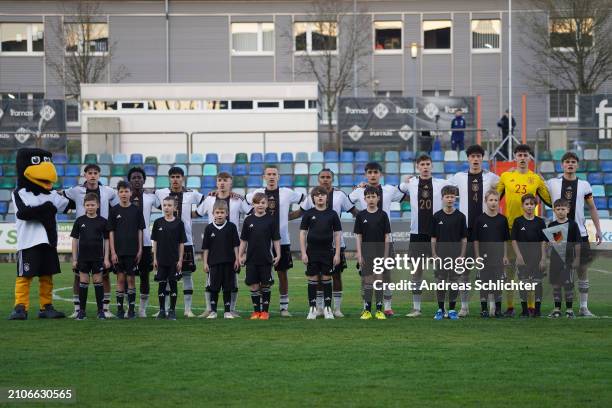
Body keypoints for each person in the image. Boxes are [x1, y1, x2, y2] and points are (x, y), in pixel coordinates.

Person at [290, 168, 357, 317]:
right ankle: (319, 308)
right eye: (322, 177)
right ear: (318, 179)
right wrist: (280, 218)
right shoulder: (311, 196)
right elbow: (300, 213)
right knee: (318, 276)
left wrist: (367, 221)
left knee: (337, 275)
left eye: (328, 177)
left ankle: (337, 308)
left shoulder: (340, 195)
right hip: (316, 247)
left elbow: (354, 211)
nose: (325, 179)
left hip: (336, 243)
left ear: (332, 179)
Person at [497, 144, 551, 317]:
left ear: (529, 158)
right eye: (519, 155)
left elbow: (549, 201)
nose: (522, 158)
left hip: (531, 231)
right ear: (514, 157)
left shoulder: (535, 179)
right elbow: (493, 198)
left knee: (530, 272)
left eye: (525, 155)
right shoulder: (505, 176)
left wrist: (543, 181)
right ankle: (511, 306)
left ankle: (531, 308)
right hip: (510, 229)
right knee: (510, 271)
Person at [546, 152, 603, 317]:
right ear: (562, 165)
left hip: (580, 233)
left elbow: (592, 208)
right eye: (567, 162)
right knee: (558, 271)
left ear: (577, 165)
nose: (570, 164)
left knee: (582, 269)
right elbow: (536, 189)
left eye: (573, 162)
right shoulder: (552, 183)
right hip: (558, 233)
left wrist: (598, 229)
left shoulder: (584, 185)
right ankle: (558, 308)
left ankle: (584, 307)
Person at [447, 144, 499, 317]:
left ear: (482, 158)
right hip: (465, 230)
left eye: (478, 156)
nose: (475, 159)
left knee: (489, 270)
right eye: (472, 156)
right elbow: (442, 189)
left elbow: (507, 184)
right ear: (468, 158)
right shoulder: (458, 177)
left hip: (486, 230)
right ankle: (464, 306)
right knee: (463, 270)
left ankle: (492, 306)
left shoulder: (492, 177)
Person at [246, 166, 304, 317]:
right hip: (261, 244)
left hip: (282, 240)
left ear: (278, 177)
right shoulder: (256, 193)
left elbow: (306, 201)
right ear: (264, 177)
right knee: (259, 276)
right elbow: (242, 202)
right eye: (269, 174)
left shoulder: (287, 192)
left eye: (274, 174)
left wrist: (290, 216)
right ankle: (259, 309)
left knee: (282, 274)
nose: (271, 177)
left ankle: (284, 307)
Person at [63, 163, 119, 318]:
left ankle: (105, 309)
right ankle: (78, 309)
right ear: (85, 175)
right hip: (84, 242)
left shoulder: (108, 191)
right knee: (78, 277)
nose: (93, 175)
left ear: (99, 175)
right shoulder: (76, 190)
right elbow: (60, 194)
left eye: (95, 173)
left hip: (101, 240)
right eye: (90, 173)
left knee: (104, 276)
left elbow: (116, 207)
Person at [350, 162, 405, 316]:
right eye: (370, 172)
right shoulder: (359, 191)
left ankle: (386, 306)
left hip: (386, 240)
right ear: (366, 175)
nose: (373, 175)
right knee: (366, 276)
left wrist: (409, 181)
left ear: (380, 174)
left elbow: (406, 197)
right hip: (367, 241)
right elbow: (346, 204)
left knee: (386, 275)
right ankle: (365, 307)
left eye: (375, 172)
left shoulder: (389, 190)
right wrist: (360, 217)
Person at [399, 154, 449, 317]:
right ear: (417, 167)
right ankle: (416, 308)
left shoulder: (441, 183)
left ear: (432, 167)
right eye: (422, 164)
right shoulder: (410, 183)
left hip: (437, 234)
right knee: (416, 270)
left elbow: (461, 187)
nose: (425, 167)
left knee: (440, 271)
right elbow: (391, 192)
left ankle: (442, 307)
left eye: (428, 164)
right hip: (417, 233)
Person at [197, 172, 251, 318]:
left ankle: (231, 309)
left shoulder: (237, 200)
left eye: (225, 180)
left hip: (232, 246)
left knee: (232, 281)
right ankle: (210, 309)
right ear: (216, 182)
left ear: (230, 182)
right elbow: (197, 212)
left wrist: (241, 253)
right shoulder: (209, 198)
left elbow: (250, 212)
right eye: (220, 180)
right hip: (214, 246)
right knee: (210, 280)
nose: (222, 183)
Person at [154, 166, 203, 318]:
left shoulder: (191, 194)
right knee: (167, 277)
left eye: (178, 177)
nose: (175, 179)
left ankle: (188, 309)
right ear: (169, 179)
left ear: (183, 178)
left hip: (185, 241)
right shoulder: (161, 193)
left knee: (187, 274)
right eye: (173, 177)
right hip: (166, 243)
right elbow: (157, 205)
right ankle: (165, 308)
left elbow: (206, 202)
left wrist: (195, 213)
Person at [299, 186, 342, 320]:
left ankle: (327, 308)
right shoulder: (308, 213)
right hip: (312, 251)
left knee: (326, 278)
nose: (320, 197)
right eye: (317, 195)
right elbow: (302, 233)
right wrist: (303, 252)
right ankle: (312, 309)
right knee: (312, 278)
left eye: (322, 194)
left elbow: (337, 234)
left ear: (326, 197)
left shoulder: (332, 214)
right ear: (313, 198)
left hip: (327, 252)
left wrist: (337, 253)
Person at [239, 193, 281, 320]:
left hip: (266, 259)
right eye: (258, 203)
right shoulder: (248, 220)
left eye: (263, 203)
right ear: (253, 204)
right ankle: (256, 312)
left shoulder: (271, 220)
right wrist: (240, 255)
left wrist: (278, 254)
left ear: (267, 205)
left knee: (266, 285)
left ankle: (265, 312)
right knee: (253, 285)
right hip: (251, 259)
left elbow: (276, 240)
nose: (260, 205)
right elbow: (244, 240)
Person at [108, 181, 145, 319]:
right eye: (121, 191)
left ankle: (131, 310)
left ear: (131, 193)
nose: (124, 194)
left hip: (132, 251)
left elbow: (140, 231)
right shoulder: (114, 210)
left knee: (131, 280)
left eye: (126, 191)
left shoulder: (136, 210)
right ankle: (119, 309)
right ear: (118, 193)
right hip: (118, 251)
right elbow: (111, 232)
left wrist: (140, 249)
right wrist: (112, 251)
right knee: (120, 279)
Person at [70, 193, 110, 320]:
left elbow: (107, 241)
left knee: (98, 282)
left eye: (92, 205)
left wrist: (106, 258)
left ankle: (100, 311)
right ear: (84, 206)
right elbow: (75, 240)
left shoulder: (103, 222)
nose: (90, 207)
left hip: (98, 257)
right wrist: (75, 258)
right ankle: (82, 311)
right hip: (83, 258)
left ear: (97, 205)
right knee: (84, 282)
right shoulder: (79, 221)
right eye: (88, 205)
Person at [354, 186, 391, 320]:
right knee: (368, 281)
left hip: (380, 253)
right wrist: (359, 254)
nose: (371, 199)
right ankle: (367, 310)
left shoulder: (383, 215)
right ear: (364, 199)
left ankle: (379, 310)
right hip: (366, 253)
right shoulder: (361, 215)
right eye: (368, 197)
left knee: (379, 280)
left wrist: (386, 256)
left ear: (378, 198)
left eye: (373, 196)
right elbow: (358, 236)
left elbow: (387, 236)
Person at [430, 185, 467, 320]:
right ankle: (440, 309)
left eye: (452, 197)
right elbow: (433, 238)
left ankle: (451, 309)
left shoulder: (461, 217)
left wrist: (462, 256)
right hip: (440, 255)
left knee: (454, 282)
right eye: (447, 197)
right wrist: (434, 254)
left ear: (455, 198)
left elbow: (464, 238)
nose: (450, 199)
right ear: (442, 198)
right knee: (440, 282)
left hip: (456, 256)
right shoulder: (437, 216)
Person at [127, 167, 160, 318]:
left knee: (145, 275)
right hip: (127, 242)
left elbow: (169, 200)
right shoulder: (121, 197)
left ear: (144, 180)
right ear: (129, 180)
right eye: (134, 177)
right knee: (129, 276)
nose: (137, 180)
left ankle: (142, 309)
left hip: (146, 242)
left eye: (139, 177)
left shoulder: (150, 198)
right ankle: (130, 307)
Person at [473, 190, 510, 318]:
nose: (493, 203)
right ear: (486, 201)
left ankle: (498, 310)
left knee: (497, 284)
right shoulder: (479, 219)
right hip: (483, 259)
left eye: (495, 200)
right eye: (491, 200)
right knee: (484, 284)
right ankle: (484, 310)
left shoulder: (502, 219)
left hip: (498, 258)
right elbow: (476, 240)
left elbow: (505, 240)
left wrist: (505, 256)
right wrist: (477, 256)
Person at [201, 200, 241, 319]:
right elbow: (206, 248)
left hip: (229, 263)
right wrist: (205, 263)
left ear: (227, 213)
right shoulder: (209, 228)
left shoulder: (231, 227)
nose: (219, 214)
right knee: (214, 288)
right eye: (217, 212)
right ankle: (213, 311)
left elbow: (235, 245)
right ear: (213, 213)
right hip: (213, 264)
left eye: (222, 212)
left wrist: (237, 259)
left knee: (228, 287)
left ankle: (227, 311)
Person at [511, 194, 547, 318]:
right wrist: (518, 256)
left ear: (535, 206)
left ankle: (537, 310)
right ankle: (525, 310)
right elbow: (514, 240)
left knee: (537, 284)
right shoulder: (518, 221)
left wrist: (543, 258)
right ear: (522, 206)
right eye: (527, 204)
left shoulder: (540, 222)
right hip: (523, 258)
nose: (529, 206)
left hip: (537, 258)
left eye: (532, 204)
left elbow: (544, 241)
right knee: (523, 283)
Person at [151, 196, 186, 320]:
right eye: (165, 205)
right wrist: (154, 258)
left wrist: (180, 260)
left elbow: (181, 243)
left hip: (174, 260)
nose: (167, 207)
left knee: (173, 284)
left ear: (175, 207)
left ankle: (172, 310)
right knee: (161, 284)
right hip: (161, 259)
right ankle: (161, 310)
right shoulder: (158, 222)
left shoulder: (179, 223)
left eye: (169, 205)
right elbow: (154, 241)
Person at [546, 198, 581, 319]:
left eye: (563, 209)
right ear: (554, 210)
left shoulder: (572, 224)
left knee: (568, 285)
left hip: (569, 259)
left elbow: (577, 243)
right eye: (558, 209)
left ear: (568, 210)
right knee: (556, 285)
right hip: (555, 259)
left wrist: (577, 259)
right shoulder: (552, 225)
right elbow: (550, 243)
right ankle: (557, 309)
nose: (560, 211)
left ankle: (570, 310)